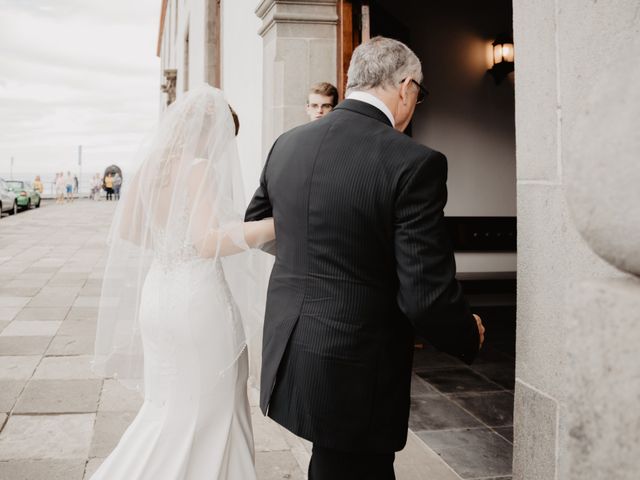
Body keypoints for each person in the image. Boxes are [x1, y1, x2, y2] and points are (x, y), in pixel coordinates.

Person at [245, 36, 485, 480]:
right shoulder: (414, 162)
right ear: (406, 87)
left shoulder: (287, 144)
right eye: (420, 94)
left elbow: (259, 228)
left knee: (331, 464)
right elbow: (425, 296)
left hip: (293, 346)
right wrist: (467, 334)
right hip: (357, 365)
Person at [91, 85, 275, 480]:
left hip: (159, 292)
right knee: (214, 406)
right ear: (210, 131)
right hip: (197, 301)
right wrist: (272, 226)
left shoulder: (150, 166)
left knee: (167, 407)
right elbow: (207, 241)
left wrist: (170, 248)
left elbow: (126, 229)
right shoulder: (198, 167)